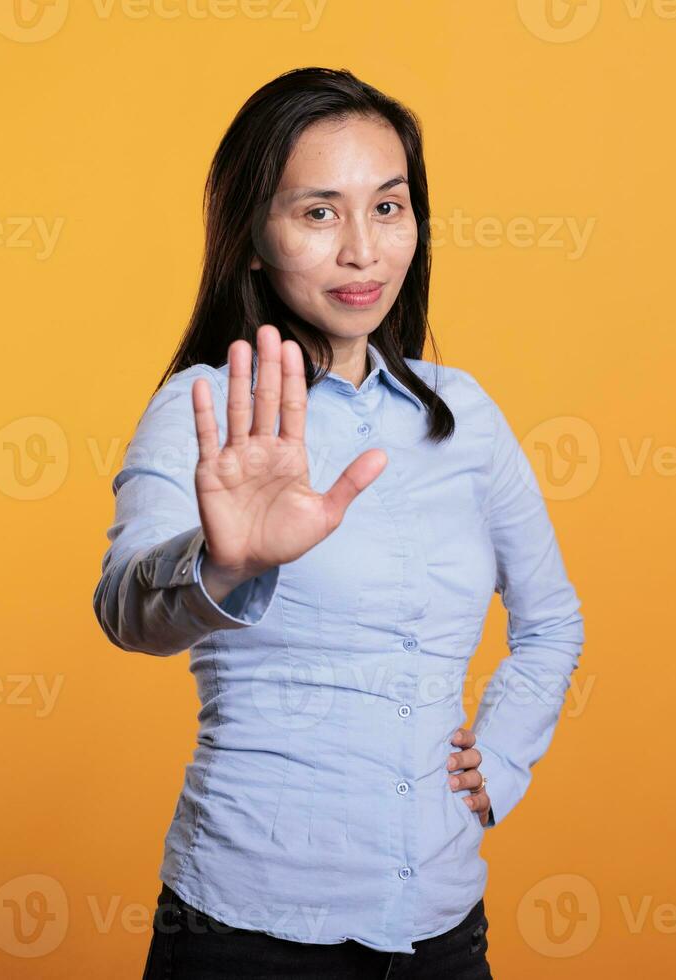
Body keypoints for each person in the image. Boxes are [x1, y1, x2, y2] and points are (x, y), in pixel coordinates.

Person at [93, 66, 584, 979]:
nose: (363, 251)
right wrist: (223, 566)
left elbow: (551, 623)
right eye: (319, 213)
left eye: (388, 208)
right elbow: (125, 608)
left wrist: (502, 763)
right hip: (247, 936)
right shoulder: (206, 406)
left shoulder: (464, 413)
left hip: (442, 927)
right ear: (252, 237)